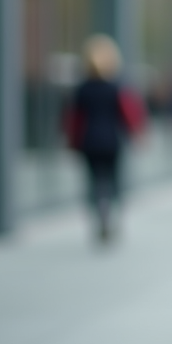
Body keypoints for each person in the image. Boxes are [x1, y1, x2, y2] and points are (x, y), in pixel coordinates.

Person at [64, 34, 146, 244]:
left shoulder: (82, 88)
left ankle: (100, 215)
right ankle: (110, 214)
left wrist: (71, 141)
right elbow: (128, 113)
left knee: (94, 181)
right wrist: (137, 133)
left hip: (89, 141)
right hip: (112, 141)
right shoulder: (116, 86)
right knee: (112, 180)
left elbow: (75, 118)